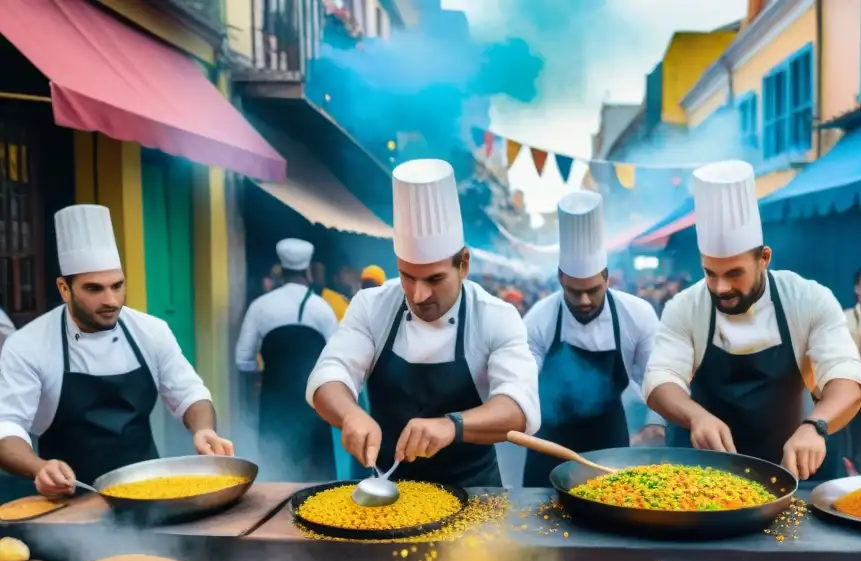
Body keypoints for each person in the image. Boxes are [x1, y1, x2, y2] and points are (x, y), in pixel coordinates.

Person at [306, 159, 540, 487]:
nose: (418, 294)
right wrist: (350, 414)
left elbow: (519, 406)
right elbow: (328, 375)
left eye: (435, 278)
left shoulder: (495, 316)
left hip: (475, 493)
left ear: (464, 265)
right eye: (407, 276)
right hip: (388, 492)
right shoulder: (372, 306)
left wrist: (451, 425)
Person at [643, 160, 861, 481]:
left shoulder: (808, 298)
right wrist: (695, 416)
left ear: (764, 258)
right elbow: (661, 378)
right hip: (704, 475)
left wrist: (816, 425)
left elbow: (847, 376)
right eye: (711, 273)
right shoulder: (684, 306)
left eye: (734, 273)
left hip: (791, 471)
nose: (721, 287)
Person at [0, 204, 233, 496]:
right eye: (94, 289)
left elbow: (189, 394)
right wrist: (37, 467)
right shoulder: (28, 345)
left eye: (117, 285)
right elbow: (7, 424)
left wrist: (203, 430)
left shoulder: (151, 330)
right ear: (64, 288)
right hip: (68, 496)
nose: (111, 300)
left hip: (148, 492)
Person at [521, 190, 665, 487]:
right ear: (561, 278)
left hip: (608, 437)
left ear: (606, 276)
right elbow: (522, 378)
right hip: (548, 440)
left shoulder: (636, 314)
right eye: (574, 291)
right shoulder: (540, 318)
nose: (585, 300)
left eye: (593, 290)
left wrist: (654, 424)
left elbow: (654, 375)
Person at [236, 239, 338, 482]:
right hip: (315, 403)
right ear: (309, 270)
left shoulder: (260, 307)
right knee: (317, 475)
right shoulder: (322, 308)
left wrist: (262, 380)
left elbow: (243, 360)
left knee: (275, 466)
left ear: (281, 269)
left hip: (273, 400)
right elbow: (337, 359)